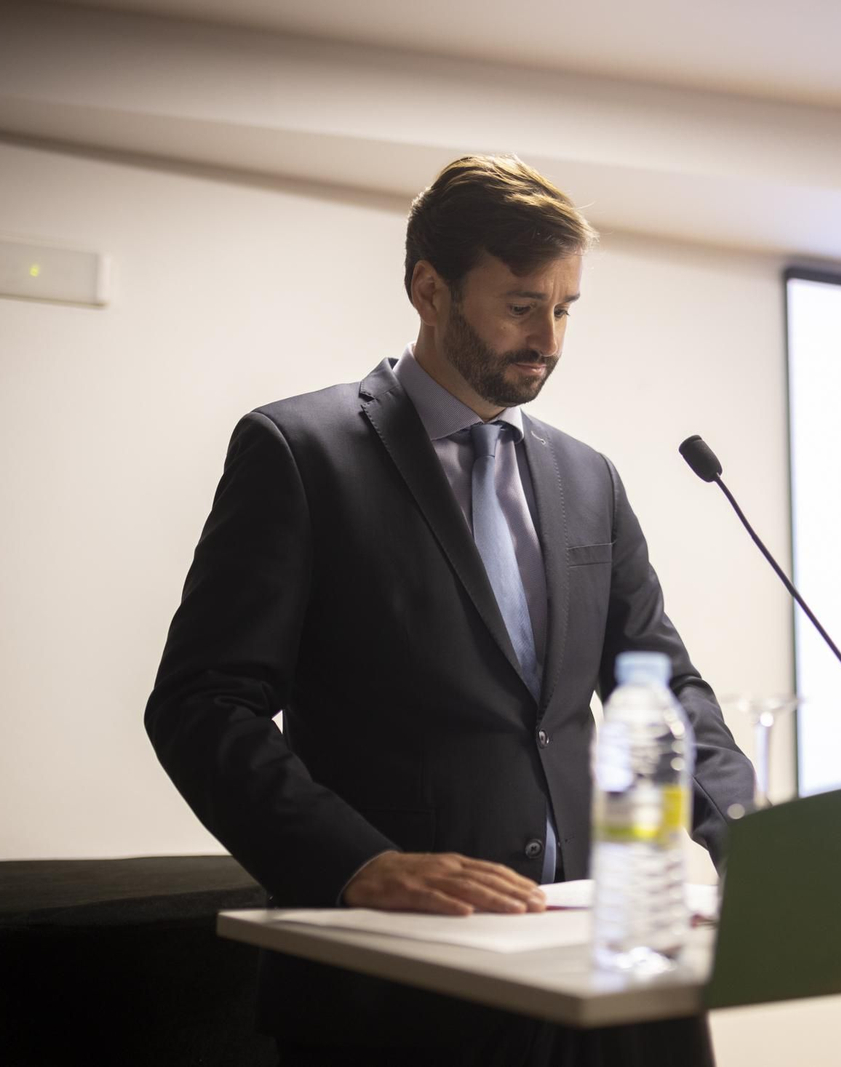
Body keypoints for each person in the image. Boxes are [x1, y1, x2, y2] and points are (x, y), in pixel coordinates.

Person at [145, 155, 755, 1064]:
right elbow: (202, 704)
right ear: (430, 289)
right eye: (520, 304)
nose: (548, 336)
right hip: (401, 993)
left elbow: (663, 683)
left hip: (599, 973)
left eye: (565, 308)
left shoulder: (589, 478)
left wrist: (749, 835)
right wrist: (356, 864)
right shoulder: (299, 452)